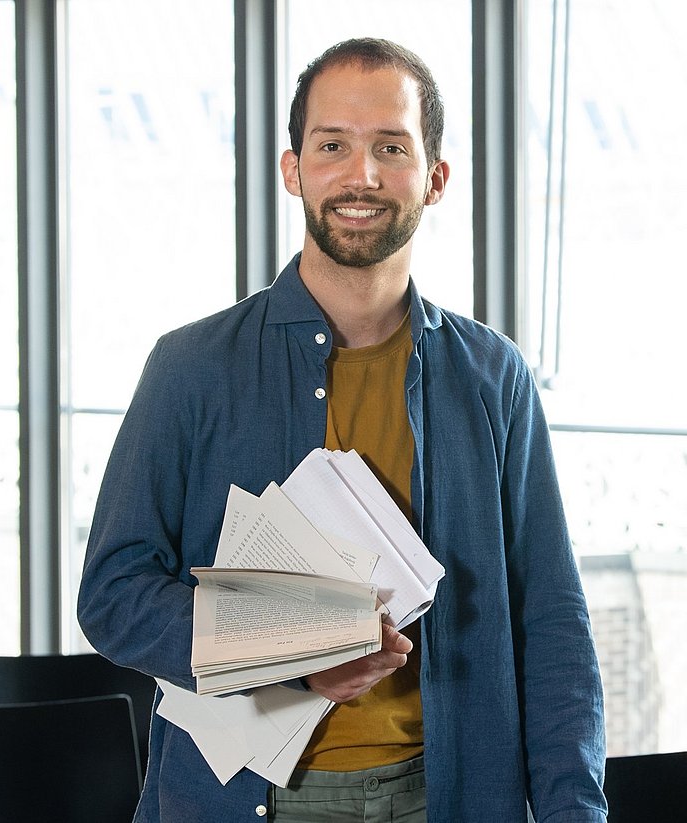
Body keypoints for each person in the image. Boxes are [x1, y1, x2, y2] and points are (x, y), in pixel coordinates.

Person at [77, 37, 607, 823]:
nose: (361, 176)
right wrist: (296, 645)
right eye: (333, 146)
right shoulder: (190, 367)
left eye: (390, 148)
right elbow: (113, 594)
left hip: (449, 797)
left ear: (434, 178)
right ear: (293, 169)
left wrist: (576, 812)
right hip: (247, 802)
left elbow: (554, 625)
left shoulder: (495, 377)